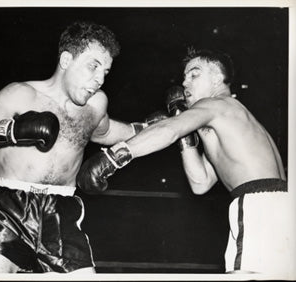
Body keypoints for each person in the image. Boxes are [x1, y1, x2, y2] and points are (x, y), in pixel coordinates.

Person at [0, 21, 167, 274]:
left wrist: (147, 128)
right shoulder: (22, 94)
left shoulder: (96, 104)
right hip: (10, 209)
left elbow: (107, 131)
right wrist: (13, 130)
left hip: (62, 212)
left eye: (106, 72)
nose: (100, 79)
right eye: (93, 66)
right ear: (66, 60)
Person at [77, 49, 293, 276]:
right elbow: (201, 182)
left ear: (217, 79)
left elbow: (169, 129)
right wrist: (185, 138)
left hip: (257, 206)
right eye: (184, 76)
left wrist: (112, 158)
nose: (184, 82)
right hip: (276, 206)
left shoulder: (216, 104)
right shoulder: (230, 119)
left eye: (194, 74)